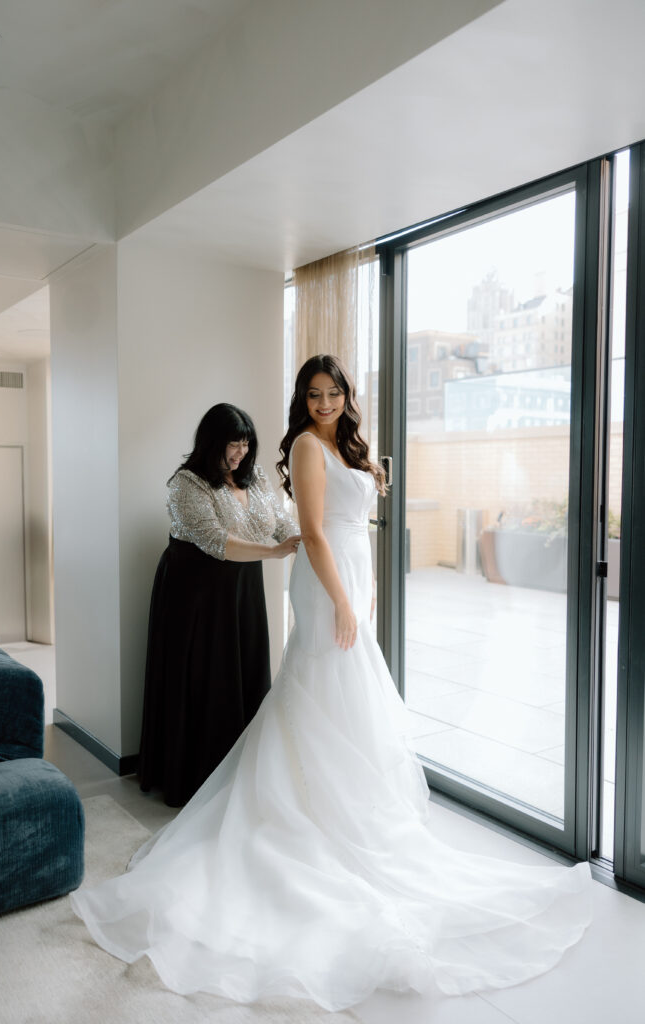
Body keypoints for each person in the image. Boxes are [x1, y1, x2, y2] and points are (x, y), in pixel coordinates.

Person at [72, 356, 591, 1011]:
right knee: (319, 685)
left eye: (332, 392)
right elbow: (311, 533)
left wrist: (363, 574)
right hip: (325, 583)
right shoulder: (303, 448)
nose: (322, 402)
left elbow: (316, 525)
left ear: (347, 395)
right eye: (313, 394)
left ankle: (342, 802)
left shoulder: (339, 448)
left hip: (345, 576)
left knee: (340, 694)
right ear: (303, 400)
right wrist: (340, 598)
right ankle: (310, 812)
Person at [137, 402, 299, 807]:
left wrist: (302, 539)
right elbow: (215, 541)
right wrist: (276, 552)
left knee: (246, 671)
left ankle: (240, 773)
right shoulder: (186, 483)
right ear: (212, 441)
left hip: (243, 586)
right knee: (205, 678)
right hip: (196, 592)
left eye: (246, 444)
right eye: (233, 443)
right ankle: (195, 777)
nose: (240, 452)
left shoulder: (256, 478)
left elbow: (279, 522)